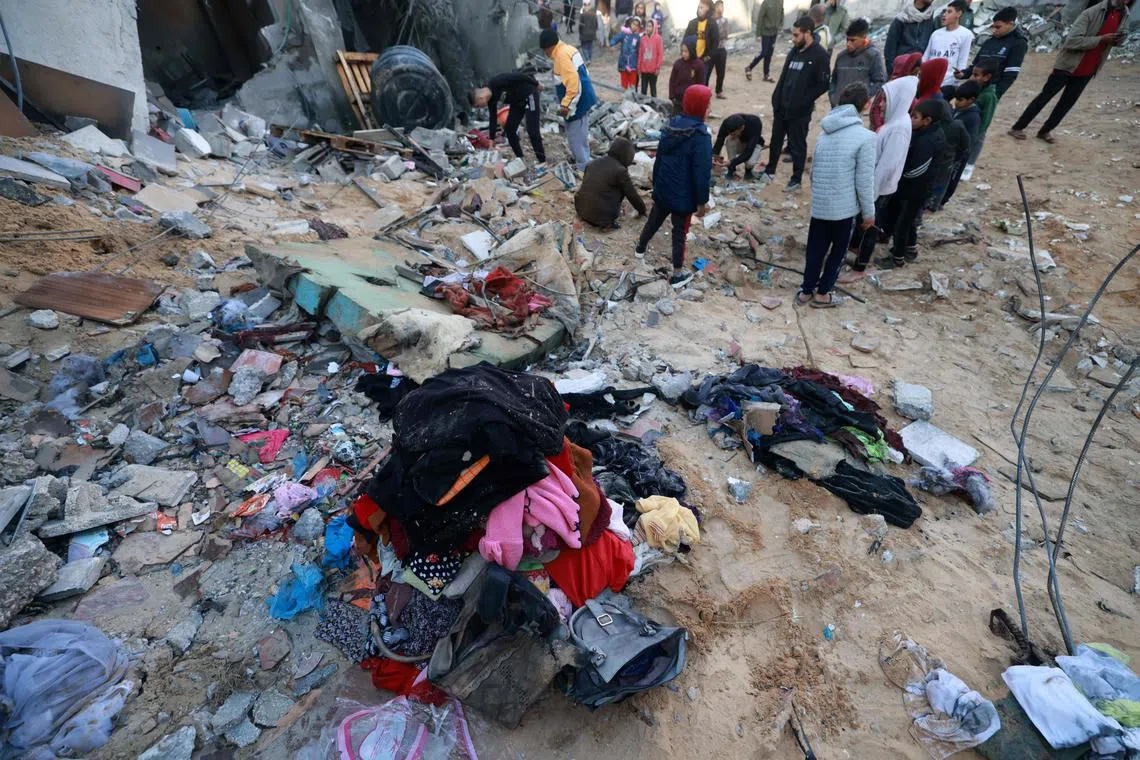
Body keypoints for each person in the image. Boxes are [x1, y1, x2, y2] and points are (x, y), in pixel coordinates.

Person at [797, 83, 876, 308]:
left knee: (815, 249)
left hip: (821, 206)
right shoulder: (866, 138)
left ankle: (806, 291)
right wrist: (869, 212)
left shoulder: (824, 134)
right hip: (844, 209)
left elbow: (813, 172)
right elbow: (864, 180)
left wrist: (821, 195)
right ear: (865, 105)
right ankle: (823, 294)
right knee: (837, 252)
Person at [1008, 0, 1131, 143]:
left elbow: (1122, 36)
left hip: (1089, 68)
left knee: (1067, 103)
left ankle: (1045, 131)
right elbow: (1072, 41)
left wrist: (1118, 40)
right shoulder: (1091, 13)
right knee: (1044, 97)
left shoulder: (1125, 14)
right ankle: (1018, 127)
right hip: (1068, 66)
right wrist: (1101, 39)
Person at [635, 85, 713, 286]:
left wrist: (657, 184)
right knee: (679, 234)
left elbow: (659, 158)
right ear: (699, 107)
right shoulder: (701, 137)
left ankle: (640, 250)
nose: (710, 109)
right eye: (708, 105)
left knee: (654, 220)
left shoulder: (672, 126)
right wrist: (702, 202)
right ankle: (677, 274)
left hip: (664, 189)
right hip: (683, 196)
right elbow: (701, 173)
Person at [844, 74, 918, 280]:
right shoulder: (894, 122)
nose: (882, 105)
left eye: (886, 99)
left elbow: (886, 166)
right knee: (863, 222)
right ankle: (854, 251)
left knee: (870, 226)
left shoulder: (898, 129)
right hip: (873, 186)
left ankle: (860, 268)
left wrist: (870, 194)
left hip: (878, 188)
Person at [759, 17, 831, 191]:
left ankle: (796, 179)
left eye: (797, 35)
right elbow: (783, 76)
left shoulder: (820, 55)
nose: (793, 38)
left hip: (800, 111)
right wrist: (776, 98)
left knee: (797, 144)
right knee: (776, 140)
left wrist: (805, 101)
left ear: (808, 33)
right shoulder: (794, 51)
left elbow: (824, 84)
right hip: (782, 106)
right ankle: (770, 171)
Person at [874, 99, 946, 269]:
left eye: (915, 117)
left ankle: (897, 258)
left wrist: (898, 176)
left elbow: (917, 170)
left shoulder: (927, 140)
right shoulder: (927, 133)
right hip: (916, 188)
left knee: (903, 224)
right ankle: (911, 249)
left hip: (915, 189)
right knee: (909, 220)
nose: (910, 119)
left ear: (927, 121)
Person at [541, 30, 598, 170]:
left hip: (577, 102)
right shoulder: (569, 49)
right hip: (583, 98)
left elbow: (573, 82)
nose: (545, 54)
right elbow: (584, 73)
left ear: (548, 47)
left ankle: (583, 168)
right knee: (580, 135)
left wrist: (566, 104)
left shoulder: (561, 56)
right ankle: (584, 163)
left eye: (544, 50)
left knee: (575, 138)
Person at [470, 72, 546, 166]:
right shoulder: (491, 101)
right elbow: (493, 118)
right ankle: (520, 159)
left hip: (529, 94)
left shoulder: (496, 82)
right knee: (509, 130)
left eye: (478, 106)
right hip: (517, 102)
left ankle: (542, 161)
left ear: (480, 98)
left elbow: (519, 76)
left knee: (532, 130)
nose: (480, 107)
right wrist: (491, 139)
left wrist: (536, 84)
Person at [575, 137, 647, 228]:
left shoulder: (592, 163)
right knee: (622, 189)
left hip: (581, 210)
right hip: (601, 218)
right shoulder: (620, 171)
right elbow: (632, 195)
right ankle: (608, 221)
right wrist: (642, 210)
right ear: (626, 156)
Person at [958, 7, 1027, 98]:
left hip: (990, 92)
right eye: (993, 27)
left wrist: (995, 95)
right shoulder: (989, 42)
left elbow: (1010, 75)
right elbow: (975, 65)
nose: (994, 30)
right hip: (973, 89)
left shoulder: (1018, 44)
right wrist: (963, 74)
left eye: (998, 27)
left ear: (1010, 24)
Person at [937, 80, 980, 207]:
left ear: (971, 100)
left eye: (960, 100)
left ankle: (942, 201)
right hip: (950, 152)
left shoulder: (973, 118)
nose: (956, 102)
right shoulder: (959, 110)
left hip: (958, 156)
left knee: (951, 179)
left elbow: (969, 141)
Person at [829, 18, 886, 107]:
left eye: (852, 40)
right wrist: (833, 96)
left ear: (863, 37)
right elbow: (834, 81)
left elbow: (879, 82)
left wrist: (862, 99)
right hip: (837, 107)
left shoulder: (873, 55)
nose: (848, 44)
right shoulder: (841, 57)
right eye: (847, 40)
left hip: (858, 109)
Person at [959, 60, 998, 179]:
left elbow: (986, 119)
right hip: (967, 124)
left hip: (978, 129)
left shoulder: (989, 97)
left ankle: (969, 165)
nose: (971, 77)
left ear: (987, 77)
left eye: (975, 75)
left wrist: (978, 132)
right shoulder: (974, 88)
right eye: (972, 74)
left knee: (975, 144)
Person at [922, 0, 974, 87]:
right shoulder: (936, 33)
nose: (944, 14)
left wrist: (956, 82)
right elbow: (926, 56)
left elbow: (962, 60)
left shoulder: (966, 34)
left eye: (949, 12)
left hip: (947, 83)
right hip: (928, 79)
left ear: (958, 14)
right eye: (945, 11)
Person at [870, 51, 921, 129]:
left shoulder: (891, 85)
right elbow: (876, 110)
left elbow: (874, 110)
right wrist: (879, 128)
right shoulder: (892, 87)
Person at [884, 0, 936, 72]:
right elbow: (890, 48)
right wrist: (891, 72)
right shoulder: (901, 18)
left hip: (922, 70)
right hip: (902, 69)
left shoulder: (932, 18)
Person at [712, 113, 766, 179]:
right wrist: (715, 155)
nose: (731, 135)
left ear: (742, 127)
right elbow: (720, 139)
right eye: (729, 133)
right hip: (741, 142)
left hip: (754, 144)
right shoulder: (727, 122)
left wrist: (731, 162)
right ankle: (731, 169)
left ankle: (748, 171)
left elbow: (748, 152)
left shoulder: (755, 123)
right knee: (729, 140)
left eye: (734, 133)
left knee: (750, 163)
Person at [746, 0, 784, 82]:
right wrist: (758, 34)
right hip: (766, 32)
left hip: (774, 32)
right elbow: (760, 18)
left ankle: (766, 75)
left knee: (769, 53)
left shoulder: (781, 1)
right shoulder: (766, 2)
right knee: (764, 52)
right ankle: (749, 67)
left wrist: (780, 25)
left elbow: (782, 13)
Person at [685, 0, 720, 81]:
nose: (699, 9)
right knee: (689, 82)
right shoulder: (692, 23)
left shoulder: (712, 24)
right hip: (692, 59)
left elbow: (715, 42)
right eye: (698, 7)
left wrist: (708, 56)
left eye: (702, 8)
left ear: (708, 9)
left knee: (701, 83)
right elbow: (685, 40)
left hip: (704, 60)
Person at [669, 38, 707, 112]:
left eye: (686, 51)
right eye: (682, 51)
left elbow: (701, 84)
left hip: (691, 101)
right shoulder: (678, 63)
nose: (683, 53)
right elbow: (672, 81)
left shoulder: (699, 65)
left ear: (692, 50)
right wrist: (672, 96)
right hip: (678, 100)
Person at [612, 17, 644, 91]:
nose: (634, 26)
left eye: (637, 25)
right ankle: (625, 100)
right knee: (624, 85)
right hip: (623, 64)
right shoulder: (624, 34)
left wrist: (639, 64)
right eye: (633, 24)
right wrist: (612, 45)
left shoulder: (638, 37)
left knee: (632, 85)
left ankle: (632, 100)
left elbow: (639, 51)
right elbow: (615, 39)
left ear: (638, 27)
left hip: (633, 65)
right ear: (630, 24)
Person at [707, 1, 730, 99]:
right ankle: (704, 91)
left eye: (723, 6)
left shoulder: (725, 20)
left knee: (721, 72)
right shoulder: (709, 21)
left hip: (721, 49)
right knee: (707, 72)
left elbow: (726, 34)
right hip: (710, 50)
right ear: (715, 8)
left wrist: (716, 36)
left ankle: (719, 91)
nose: (722, 8)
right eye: (720, 6)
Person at [639, 19, 665, 96]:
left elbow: (660, 54)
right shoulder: (643, 39)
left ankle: (654, 105)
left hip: (653, 70)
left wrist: (658, 68)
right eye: (647, 26)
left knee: (653, 89)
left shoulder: (658, 39)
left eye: (650, 26)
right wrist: (639, 67)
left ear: (654, 27)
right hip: (644, 70)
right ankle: (643, 106)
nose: (648, 28)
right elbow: (640, 54)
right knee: (643, 90)